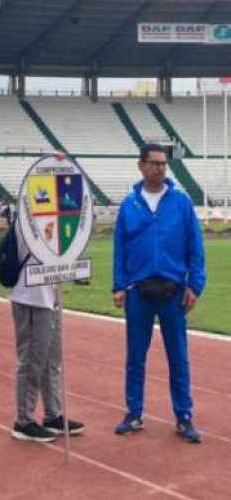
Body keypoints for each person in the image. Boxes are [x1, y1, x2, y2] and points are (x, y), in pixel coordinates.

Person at [113, 144, 206, 444]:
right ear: (141, 166)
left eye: (164, 164)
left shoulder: (181, 203)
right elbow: (120, 248)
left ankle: (184, 416)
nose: (161, 169)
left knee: (178, 357)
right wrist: (119, 285)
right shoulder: (130, 205)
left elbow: (196, 247)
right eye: (154, 163)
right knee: (135, 357)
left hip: (173, 292)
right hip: (139, 292)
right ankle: (134, 412)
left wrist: (195, 285)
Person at [9, 200, 85, 442]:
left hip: (50, 296)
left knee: (52, 359)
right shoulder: (25, 222)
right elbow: (38, 249)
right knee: (32, 360)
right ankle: (24, 420)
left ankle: (53, 414)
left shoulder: (49, 222)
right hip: (30, 297)